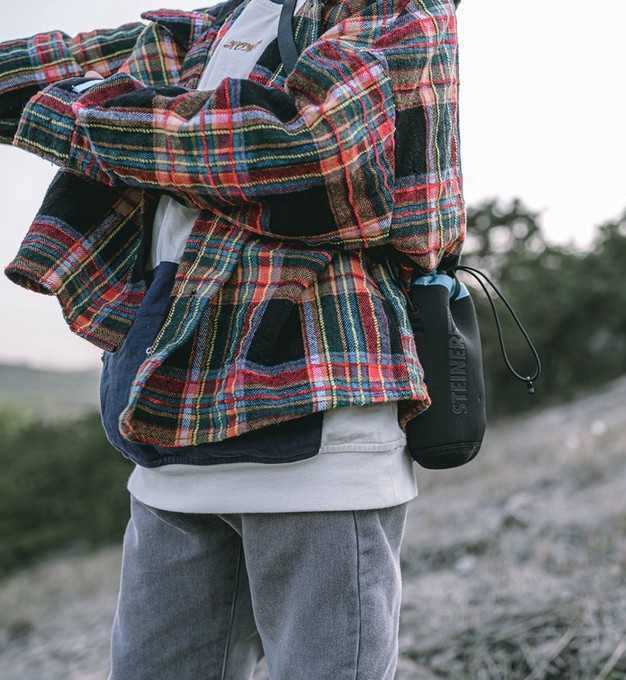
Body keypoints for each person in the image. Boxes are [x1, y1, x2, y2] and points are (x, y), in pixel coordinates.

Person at [0, 0, 464, 677]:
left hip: (317, 445)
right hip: (171, 434)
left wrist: (76, 116)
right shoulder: (221, 22)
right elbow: (57, 64)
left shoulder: (395, 9)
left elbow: (306, 146)